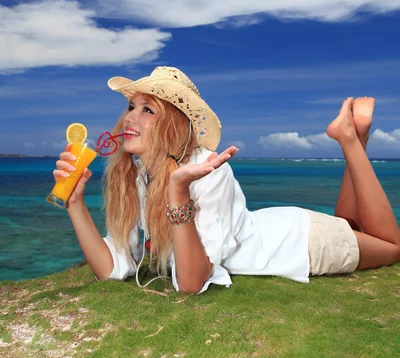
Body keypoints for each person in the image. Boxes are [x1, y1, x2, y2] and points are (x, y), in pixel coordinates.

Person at [53, 66, 400, 294]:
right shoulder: (139, 174)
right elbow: (112, 267)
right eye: (131, 106)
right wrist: (75, 204)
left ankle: (351, 139)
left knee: (394, 247)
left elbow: (191, 282)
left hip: (301, 243)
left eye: (148, 110)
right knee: (352, 223)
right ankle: (355, 136)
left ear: (173, 125)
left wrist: (178, 194)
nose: (130, 117)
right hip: (284, 224)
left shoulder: (206, 168)